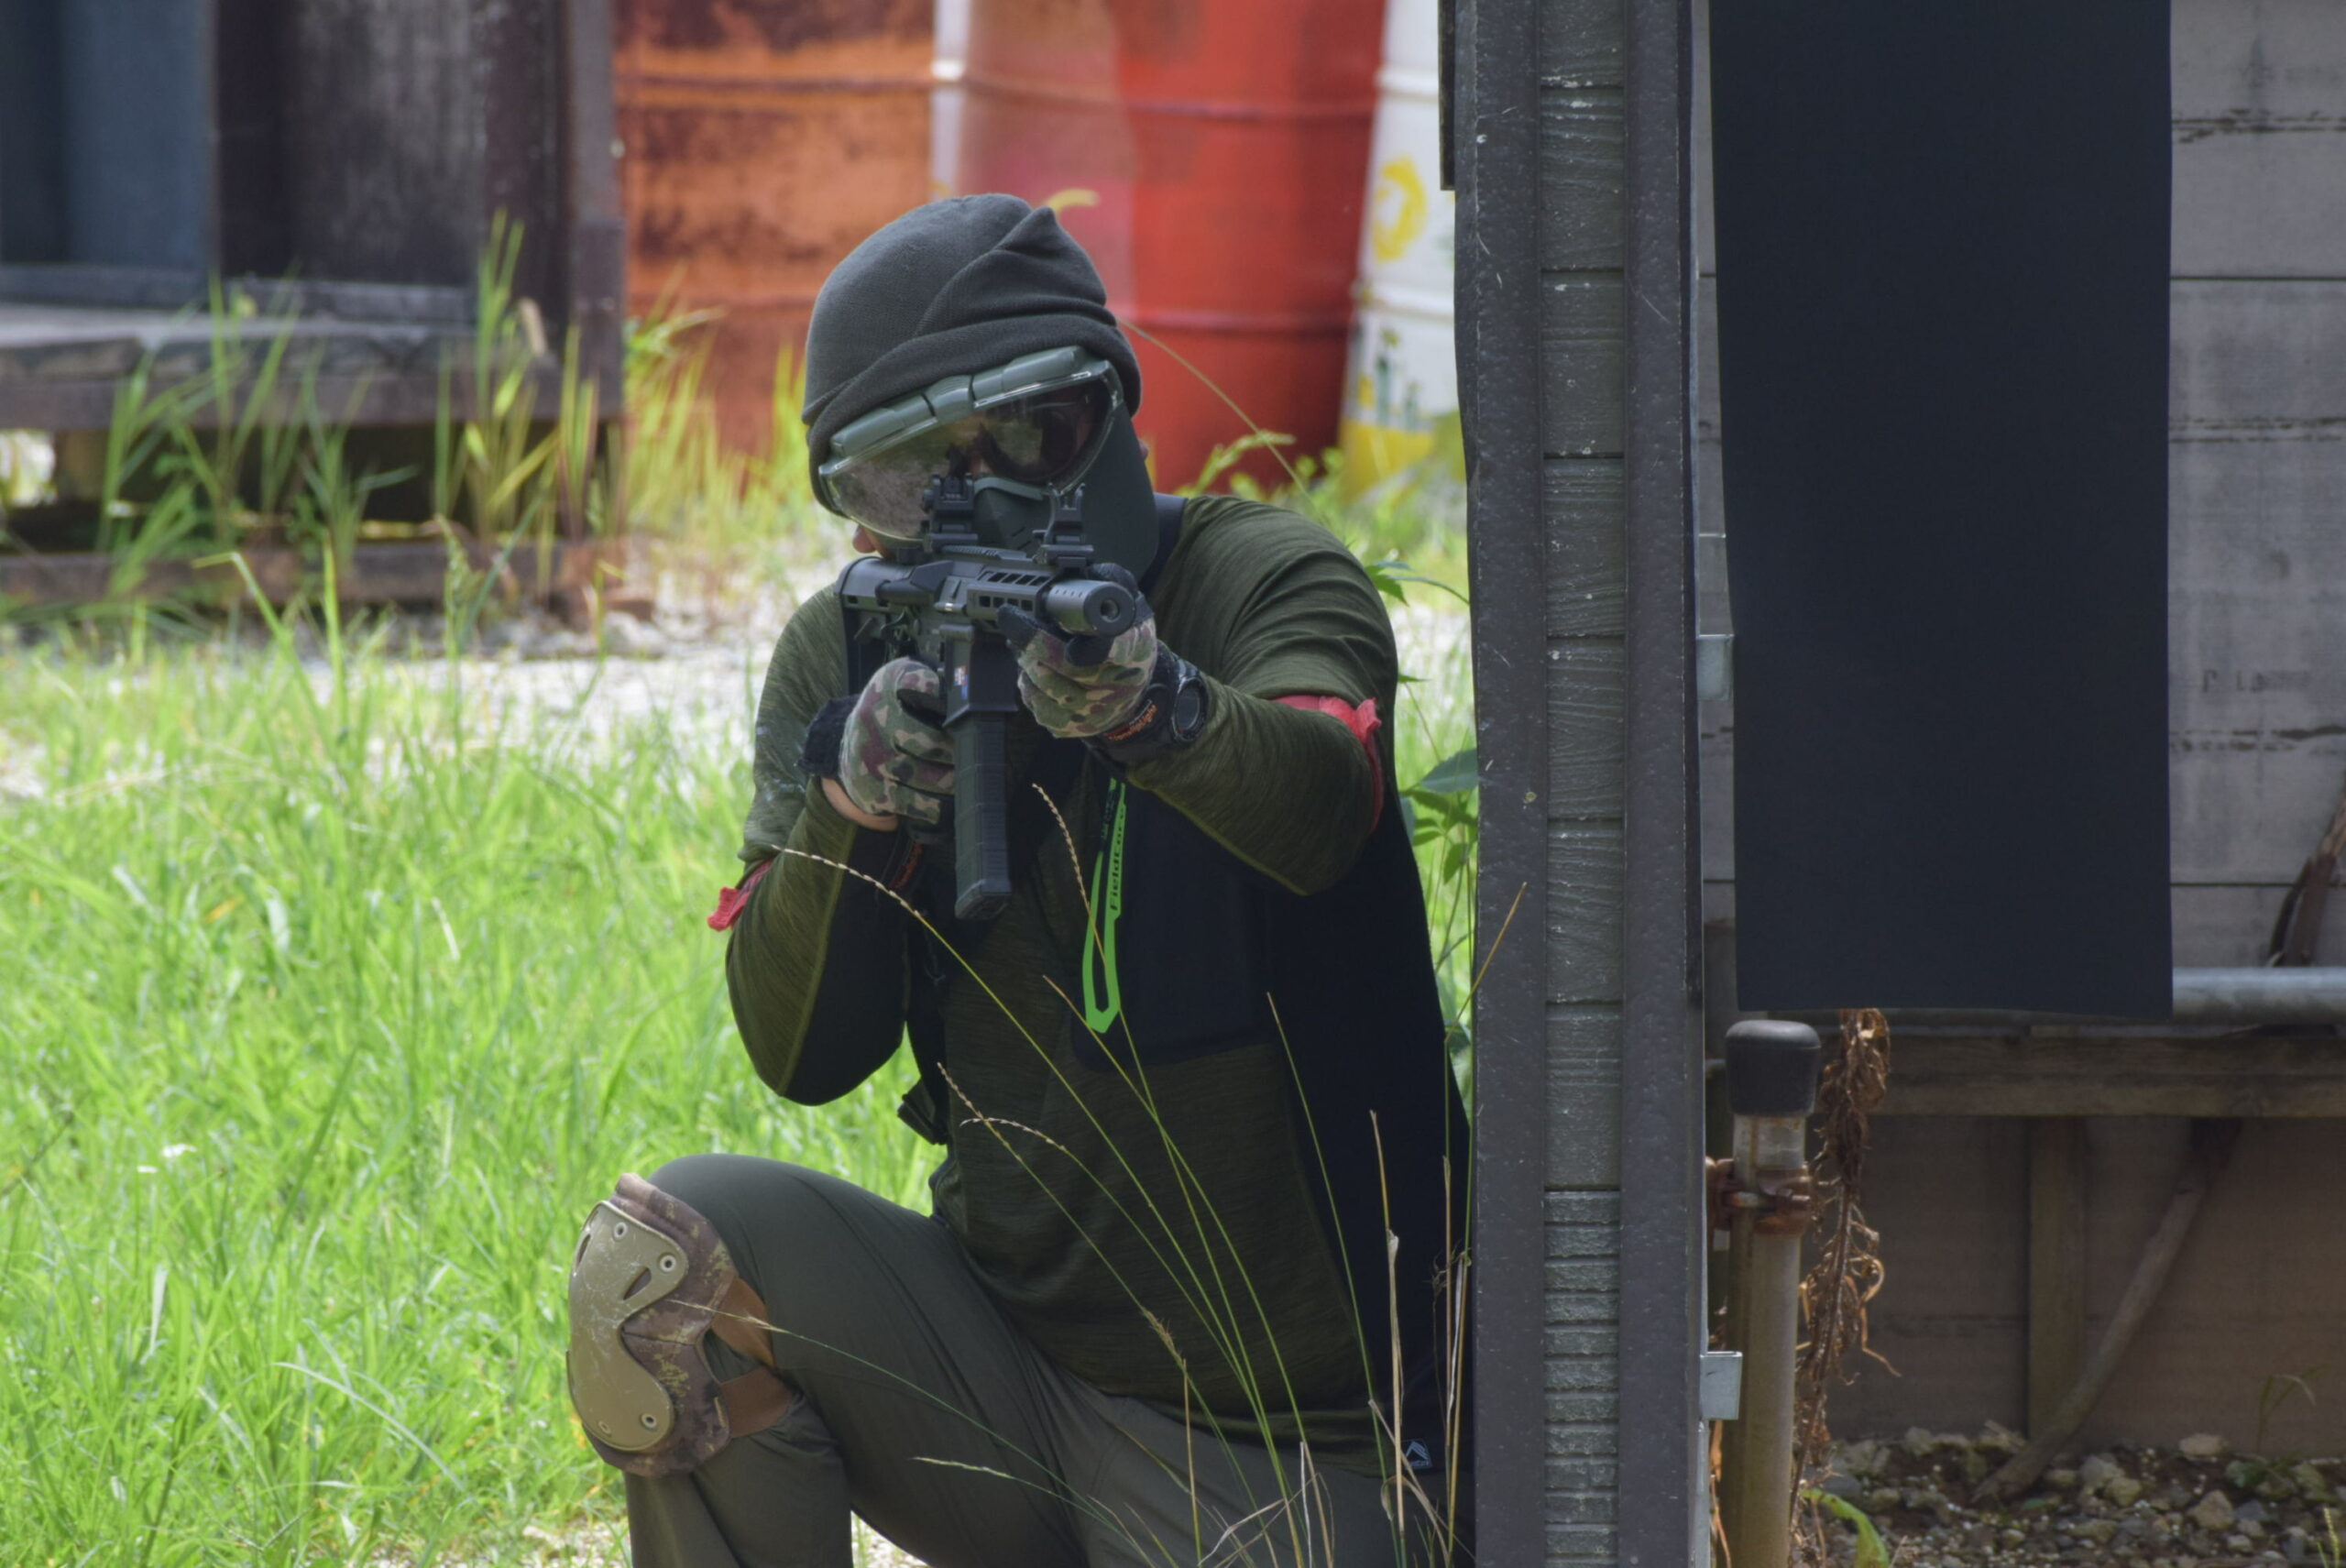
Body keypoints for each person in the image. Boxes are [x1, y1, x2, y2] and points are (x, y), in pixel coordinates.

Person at [565, 195, 1470, 1568]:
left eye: (1028, 434)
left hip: (1300, 1445)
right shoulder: (849, 650)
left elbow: (1319, 803)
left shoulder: (1261, 579)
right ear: (857, 513)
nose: (977, 491)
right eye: (909, 474)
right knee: (663, 1281)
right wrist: (854, 807)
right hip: (1007, 1389)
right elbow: (798, 1051)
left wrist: (1155, 712)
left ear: (1110, 410)